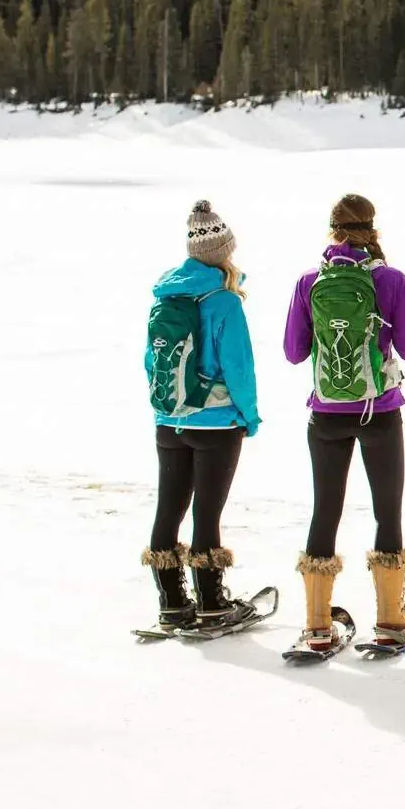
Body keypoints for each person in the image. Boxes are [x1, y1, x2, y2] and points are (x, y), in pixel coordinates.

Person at [283, 193, 405, 654]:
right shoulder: (390, 280)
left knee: (324, 511)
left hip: (326, 414)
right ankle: (390, 621)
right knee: (387, 512)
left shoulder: (310, 282)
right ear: (373, 229)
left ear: (333, 231)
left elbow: (294, 352)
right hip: (380, 412)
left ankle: (317, 626)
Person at [142, 200, 263, 631]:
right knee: (206, 514)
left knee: (167, 510)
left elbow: (149, 361)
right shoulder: (224, 302)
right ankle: (213, 605)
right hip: (215, 423)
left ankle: (173, 604)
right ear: (224, 252)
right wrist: (248, 416)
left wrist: (165, 409)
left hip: (169, 420)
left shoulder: (166, 296)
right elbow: (239, 368)